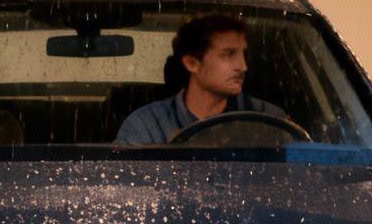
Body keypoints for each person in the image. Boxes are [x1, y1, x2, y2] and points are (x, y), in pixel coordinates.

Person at [114, 12, 286, 144]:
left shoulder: (269, 120)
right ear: (192, 63)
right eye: (228, 54)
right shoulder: (146, 126)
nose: (243, 66)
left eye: (243, 54)